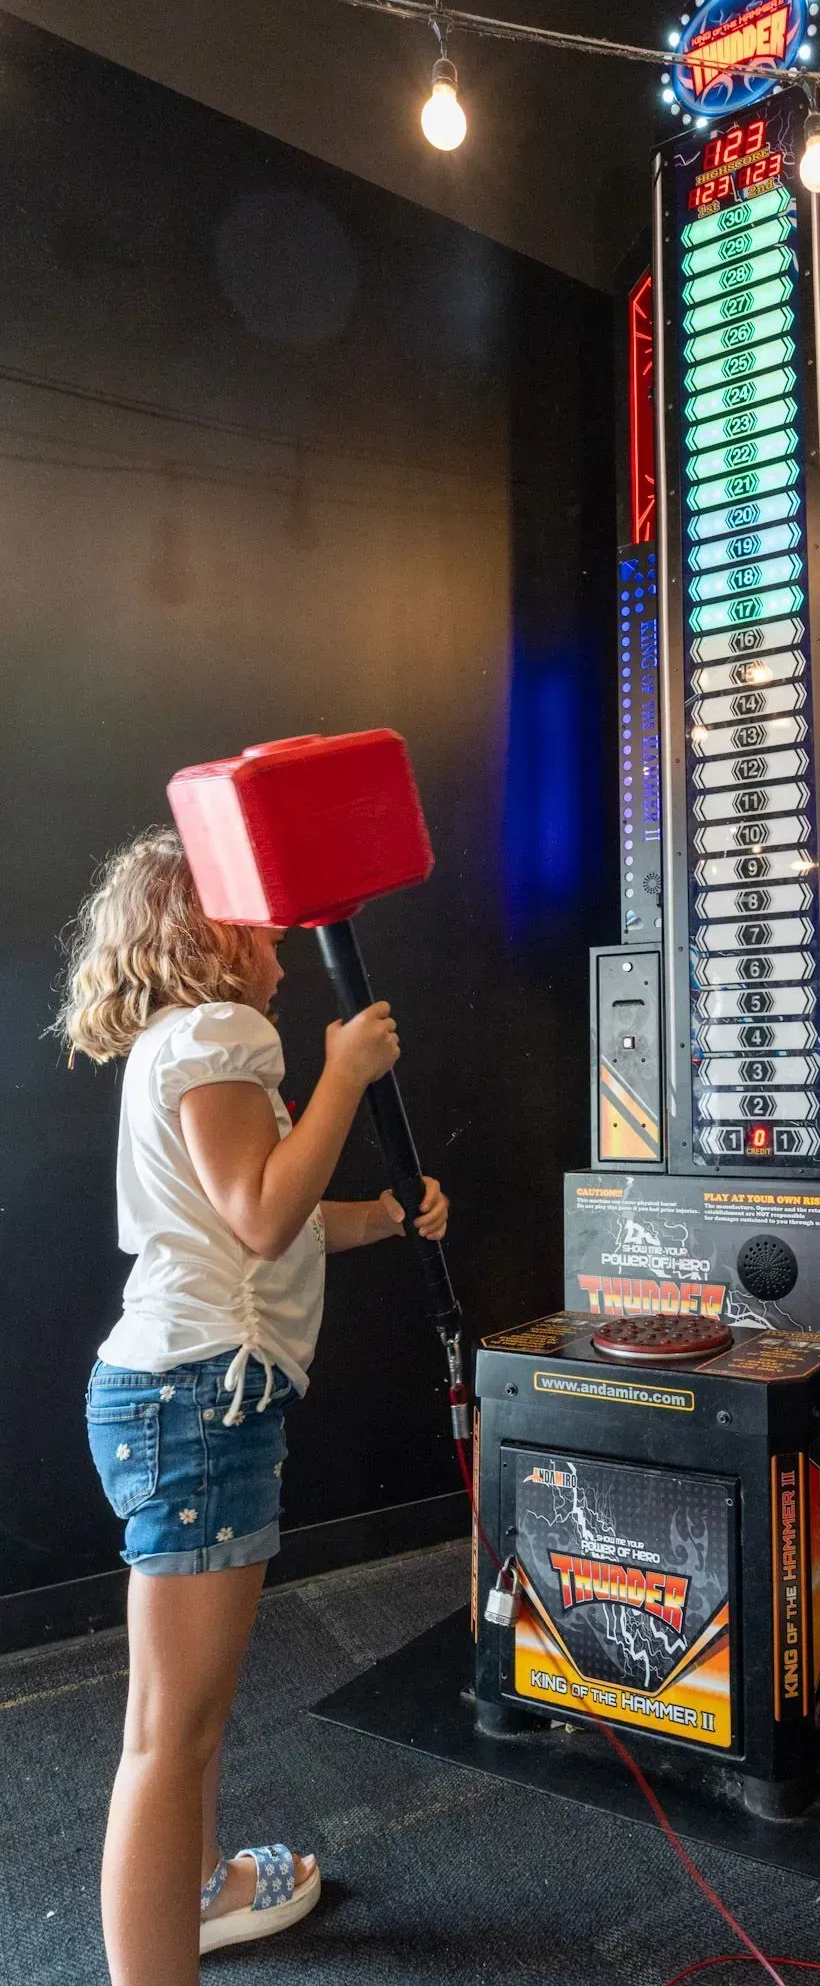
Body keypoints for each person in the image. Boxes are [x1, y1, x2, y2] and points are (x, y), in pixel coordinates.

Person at [55, 827, 448, 1986]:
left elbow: (256, 1220)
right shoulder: (229, 1033)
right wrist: (344, 1071)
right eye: (258, 914)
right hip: (196, 1402)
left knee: (182, 1722)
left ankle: (202, 1887)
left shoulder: (178, 1046)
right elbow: (265, 1214)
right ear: (214, 931)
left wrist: (381, 1214)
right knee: (167, 1736)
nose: (279, 935)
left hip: (166, 1391)